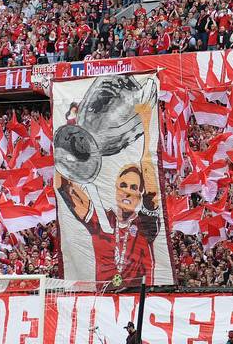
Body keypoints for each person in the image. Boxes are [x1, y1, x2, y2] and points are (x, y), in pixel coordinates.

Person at [55, 101, 160, 286]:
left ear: (140, 194)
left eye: (134, 188)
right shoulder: (101, 220)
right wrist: (71, 132)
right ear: (116, 188)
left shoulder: (145, 225)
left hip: (140, 297)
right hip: (104, 298)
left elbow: (151, 189)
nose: (128, 191)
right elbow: (63, 185)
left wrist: (146, 123)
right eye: (124, 185)